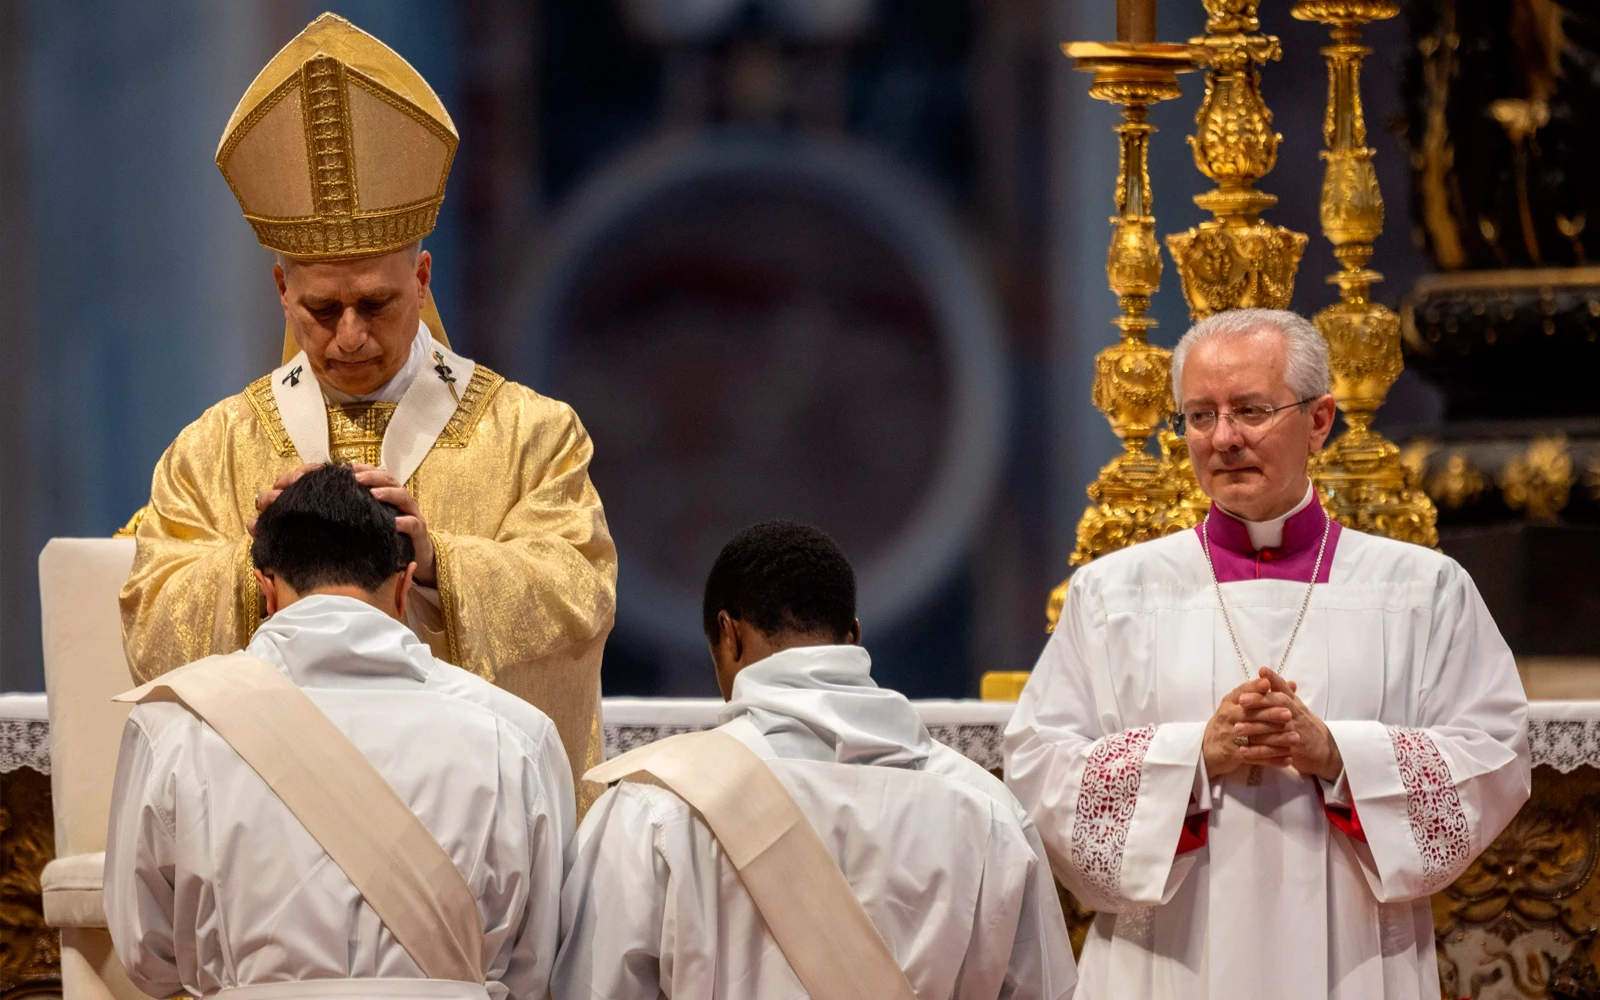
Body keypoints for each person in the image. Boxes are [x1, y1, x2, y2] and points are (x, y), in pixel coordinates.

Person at [117, 12, 616, 792]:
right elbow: (152, 618)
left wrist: (440, 563)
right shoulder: (213, 448)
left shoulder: (532, 434)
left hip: (470, 801)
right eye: (323, 310)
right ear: (283, 290)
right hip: (277, 802)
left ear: (421, 280)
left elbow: (578, 594)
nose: (349, 337)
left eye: (376, 304)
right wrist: (265, 556)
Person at [1005, 308, 1530, 999]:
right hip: (1165, 964)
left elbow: (1494, 754)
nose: (1223, 439)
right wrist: (1194, 758)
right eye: (1199, 416)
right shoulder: (1112, 593)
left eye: (1250, 410)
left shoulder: (1420, 589)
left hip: (1358, 960)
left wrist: (1338, 753)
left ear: (1318, 420)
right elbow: (1039, 767)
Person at [105, 463, 575, 1000]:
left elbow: (148, 952)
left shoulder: (174, 725)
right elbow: (538, 961)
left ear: (266, 590)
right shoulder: (516, 732)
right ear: (404, 587)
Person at [552, 521, 1077, 1000]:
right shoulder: (987, 808)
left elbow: (595, 990)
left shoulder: (655, 806)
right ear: (852, 635)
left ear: (729, 635)